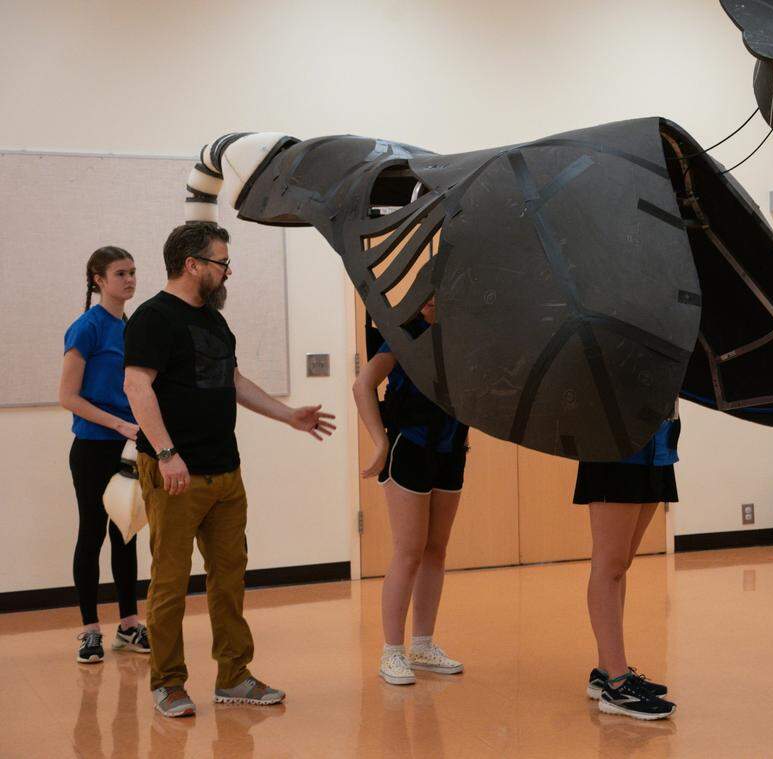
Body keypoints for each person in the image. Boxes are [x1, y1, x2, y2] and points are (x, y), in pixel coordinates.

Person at [123, 223, 336, 718]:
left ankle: (234, 676)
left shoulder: (215, 323)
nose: (228, 271)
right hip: (177, 473)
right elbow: (137, 386)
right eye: (221, 262)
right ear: (192, 264)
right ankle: (168, 683)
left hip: (226, 472)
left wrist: (289, 416)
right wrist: (167, 453)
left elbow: (232, 380)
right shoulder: (154, 318)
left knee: (229, 579)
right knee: (171, 583)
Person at [353, 299, 468, 686]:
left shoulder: (462, 335)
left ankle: (422, 645)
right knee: (409, 550)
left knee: (436, 548)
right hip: (409, 447)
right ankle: (392, 652)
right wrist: (379, 442)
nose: (436, 301)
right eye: (429, 293)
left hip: (451, 449)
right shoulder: (403, 335)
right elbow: (363, 385)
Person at [60, 246, 149, 664]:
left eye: (132, 272)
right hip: (93, 447)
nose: (129, 280)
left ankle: (129, 625)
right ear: (98, 279)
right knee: (92, 532)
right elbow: (68, 397)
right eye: (120, 273)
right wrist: (116, 424)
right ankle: (90, 630)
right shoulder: (86, 328)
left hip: (128, 446)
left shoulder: (132, 326)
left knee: (126, 531)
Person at [573, 410, 679, 720]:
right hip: (614, 439)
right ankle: (617, 686)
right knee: (609, 565)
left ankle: (606, 670)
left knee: (621, 564)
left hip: (657, 438)